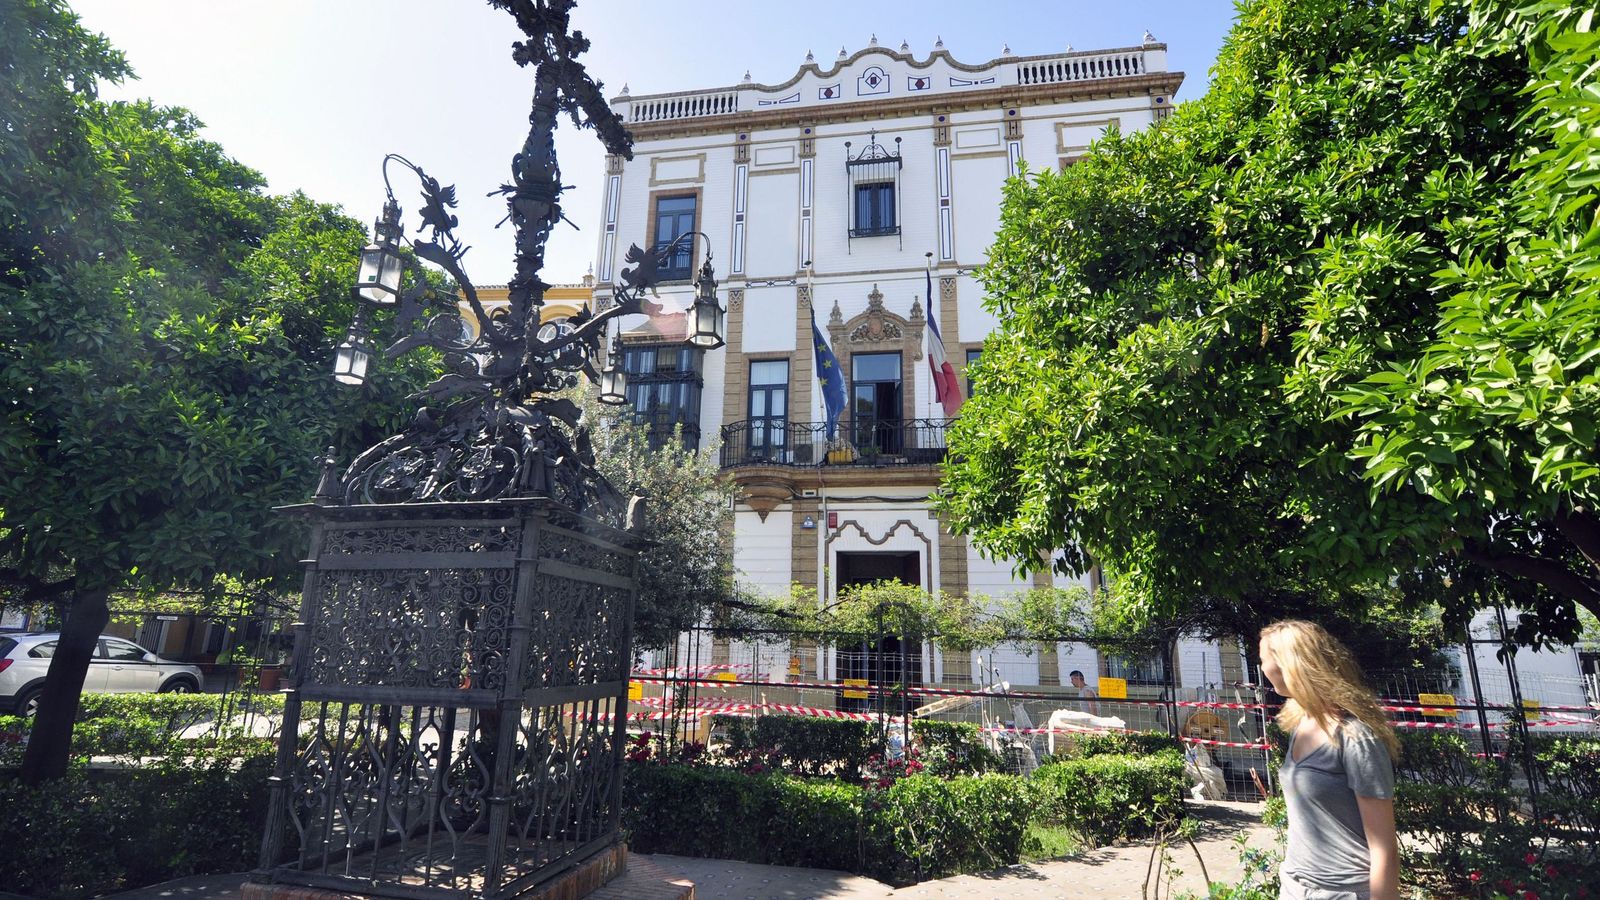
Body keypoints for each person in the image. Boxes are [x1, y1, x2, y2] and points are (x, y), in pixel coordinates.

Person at [1259, 620, 1400, 900]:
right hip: (1295, 887)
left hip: (1342, 893)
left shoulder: (1355, 737)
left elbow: (1384, 849)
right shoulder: (1301, 725)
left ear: (1288, 664)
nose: (1262, 668)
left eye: (1263, 659)